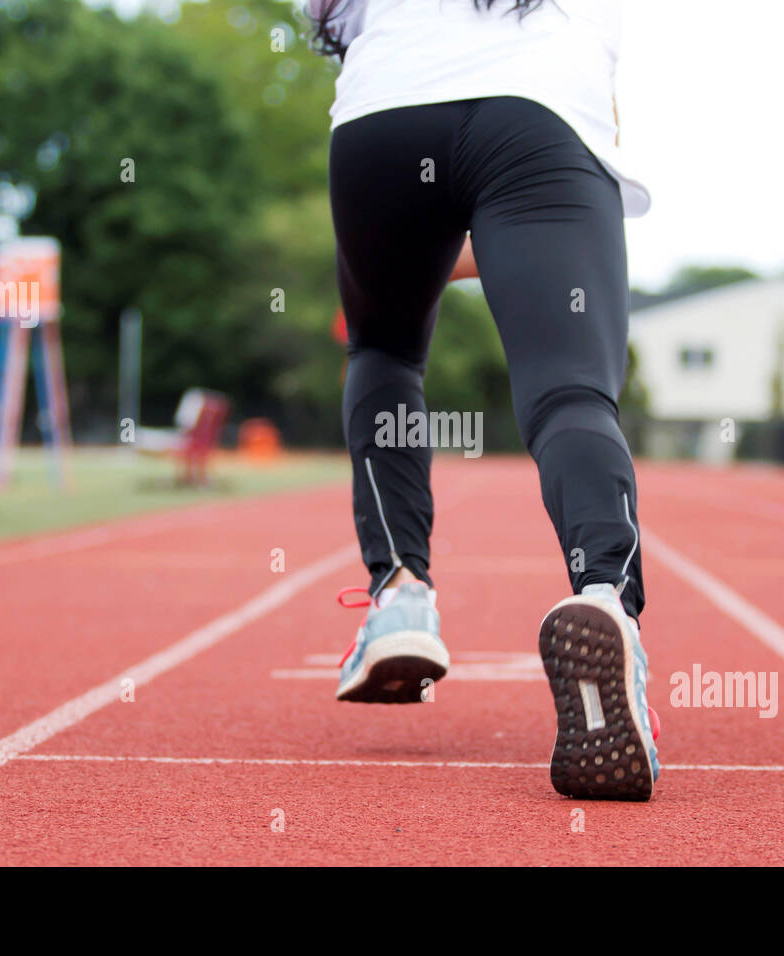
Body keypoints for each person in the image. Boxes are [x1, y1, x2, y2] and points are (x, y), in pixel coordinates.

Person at [308, 0, 660, 800]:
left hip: (380, 116)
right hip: (538, 111)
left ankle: (399, 598)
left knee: (384, 349)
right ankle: (605, 595)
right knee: (571, 391)